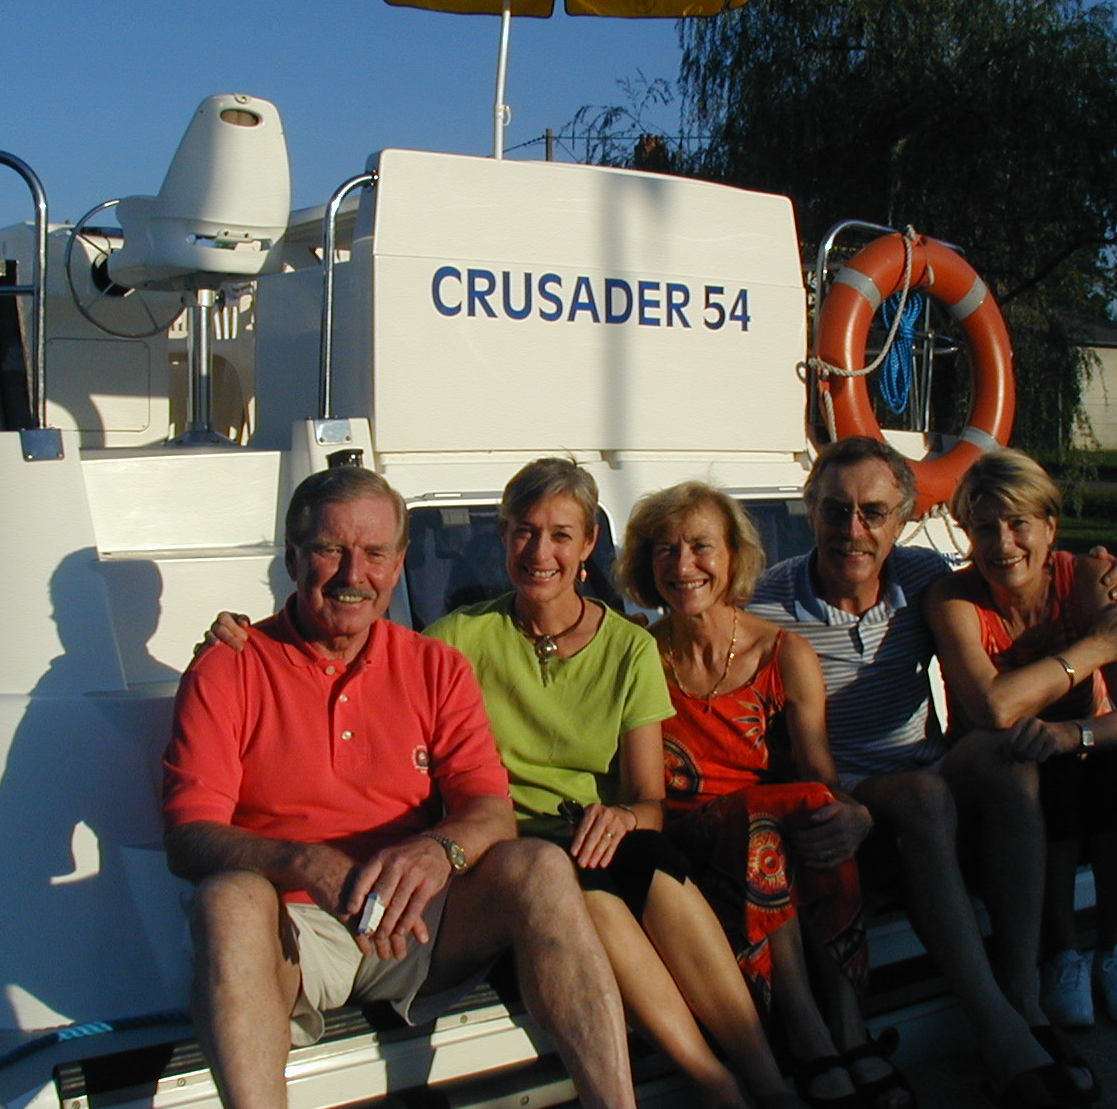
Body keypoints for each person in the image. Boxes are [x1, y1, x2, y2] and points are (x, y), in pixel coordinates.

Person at [206, 460, 804, 1109]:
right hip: (508, 853)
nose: (540, 551)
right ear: (502, 537)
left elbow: (648, 799)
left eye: (560, 535)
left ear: (587, 547)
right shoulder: (458, 641)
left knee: (654, 871)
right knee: (584, 893)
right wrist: (249, 637)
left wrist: (626, 818)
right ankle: (716, 1086)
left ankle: (764, 1075)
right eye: (523, 532)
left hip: (596, 838)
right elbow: (372, 657)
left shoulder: (628, 648)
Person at [162, 466, 637, 1109]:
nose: (354, 575)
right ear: (294, 556)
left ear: (399, 562)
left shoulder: (434, 665)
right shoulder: (229, 666)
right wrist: (302, 861)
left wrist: (439, 851)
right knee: (227, 900)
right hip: (292, 936)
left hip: (418, 922)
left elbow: (490, 811)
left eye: (376, 553)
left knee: (541, 866)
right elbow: (187, 840)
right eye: (332, 549)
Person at [749, 436, 1117, 1109]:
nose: (853, 531)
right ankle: (1001, 1032)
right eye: (834, 511)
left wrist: (1110, 574)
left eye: (873, 512)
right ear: (809, 508)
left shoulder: (925, 578)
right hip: (838, 785)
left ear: (902, 520)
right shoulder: (764, 604)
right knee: (928, 797)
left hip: (925, 768)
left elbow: (1037, 570)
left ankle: (1023, 995)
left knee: (1005, 754)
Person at [616, 481, 913, 1109]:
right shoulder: (638, 653)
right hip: (681, 845)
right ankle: (814, 1032)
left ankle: (844, 1026)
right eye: (664, 550)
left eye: (701, 547)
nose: (683, 565)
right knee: (768, 818)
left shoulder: (781, 653)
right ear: (646, 565)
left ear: (732, 557)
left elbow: (818, 776)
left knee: (806, 811)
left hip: (768, 845)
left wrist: (850, 812)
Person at [925, 449, 1117, 1030]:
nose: (1002, 544)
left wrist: (1069, 733)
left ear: (1050, 528)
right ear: (965, 533)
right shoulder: (954, 600)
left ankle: (1116, 949)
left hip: (1070, 742)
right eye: (984, 527)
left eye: (1018, 524)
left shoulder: (1088, 580)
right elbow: (992, 708)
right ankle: (1061, 955)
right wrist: (1095, 649)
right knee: (1036, 775)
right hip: (992, 768)